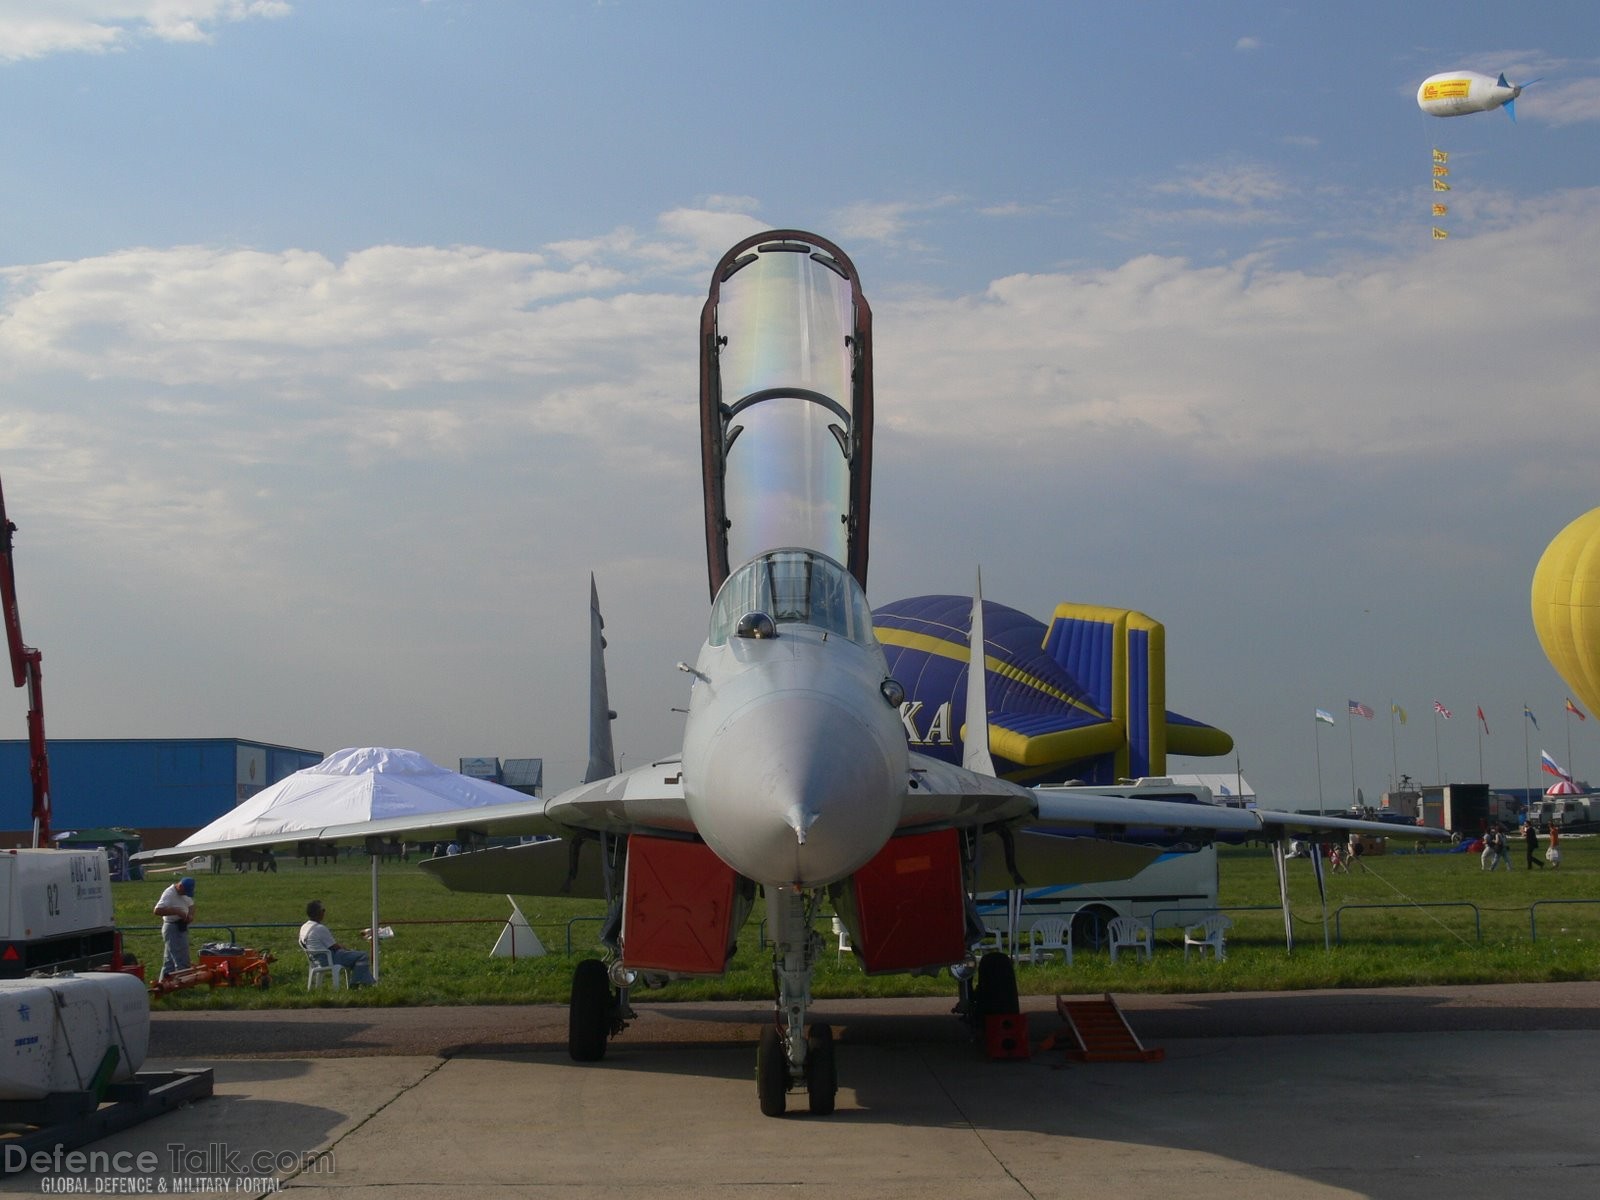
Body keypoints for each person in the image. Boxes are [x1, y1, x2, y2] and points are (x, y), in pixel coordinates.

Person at [299, 900, 375, 987]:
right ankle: (356, 984)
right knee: (362, 956)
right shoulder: (320, 928)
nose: (324, 912)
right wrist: (348, 950)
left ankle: (367, 983)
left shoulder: (304, 927)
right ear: (318, 913)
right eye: (323, 910)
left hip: (315, 960)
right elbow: (335, 946)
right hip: (328, 959)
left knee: (356, 959)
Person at [154, 876, 196, 979]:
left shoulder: (184, 893)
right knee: (181, 959)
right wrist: (177, 912)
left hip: (181, 926)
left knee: (169, 961)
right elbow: (157, 910)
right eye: (185, 891)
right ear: (180, 886)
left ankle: (164, 983)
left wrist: (190, 915)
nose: (185, 894)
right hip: (172, 928)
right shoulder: (169, 893)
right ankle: (184, 982)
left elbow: (191, 905)